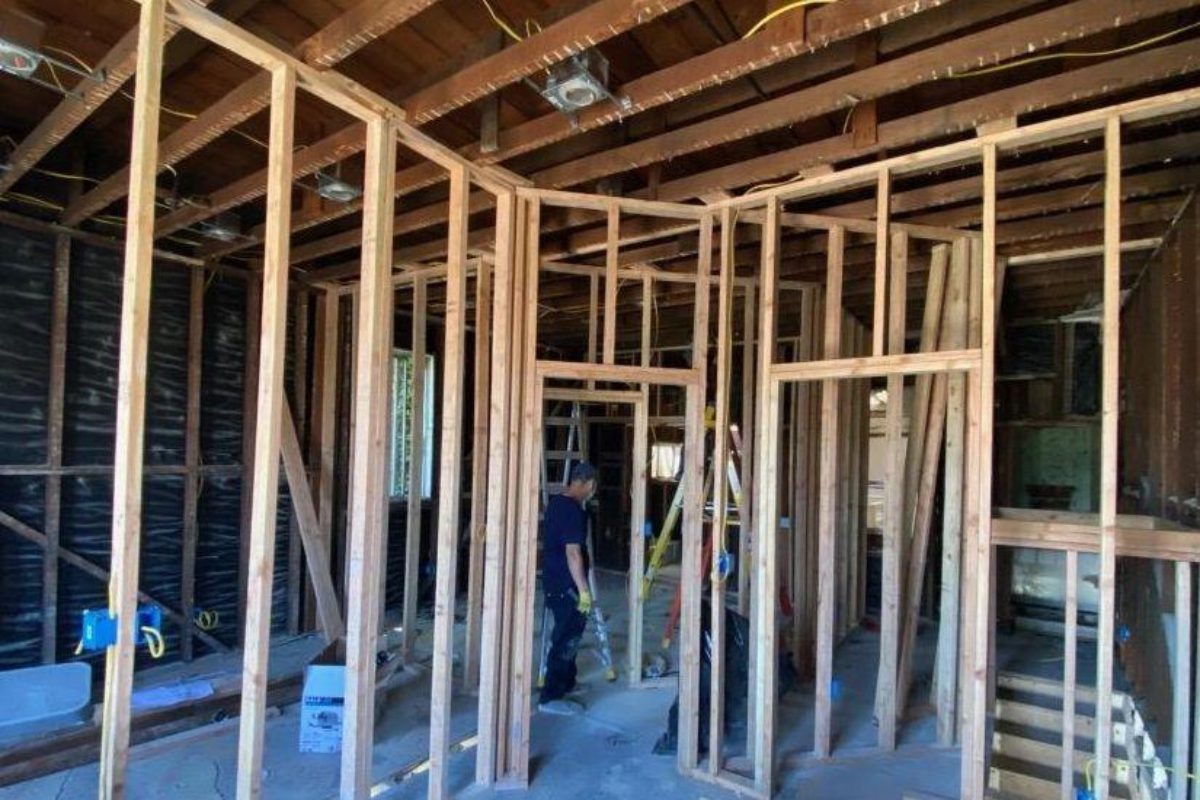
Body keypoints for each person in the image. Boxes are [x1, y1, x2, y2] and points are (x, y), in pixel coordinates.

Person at [538, 461, 598, 716]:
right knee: (564, 638)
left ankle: (567, 684)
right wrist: (584, 590)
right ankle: (550, 696)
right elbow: (573, 553)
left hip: (555, 581)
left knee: (571, 635)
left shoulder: (556, 503)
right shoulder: (572, 511)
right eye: (593, 487)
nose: (592, 492)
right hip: (566, 585)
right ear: (587, 484)